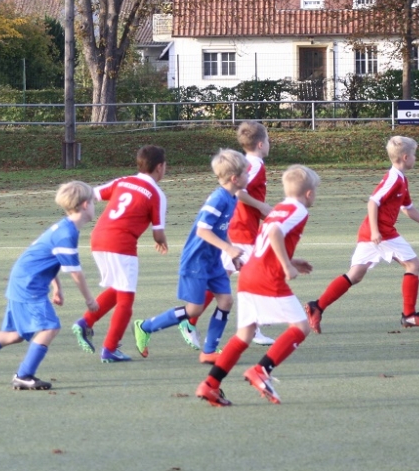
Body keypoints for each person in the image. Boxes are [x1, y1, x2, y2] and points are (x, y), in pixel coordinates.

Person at [0, 181, 100, 389]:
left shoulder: (65, 228)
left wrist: (56, 286)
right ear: (84, 205)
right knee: (50, 326)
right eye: (93, 201)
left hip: (22, 280)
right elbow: (76, 272)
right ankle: (24, 375)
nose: (94, 206)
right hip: (28, 285)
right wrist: (89, 300)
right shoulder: (67, 234)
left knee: (15, 335)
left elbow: (43, 256)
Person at [195, 165, 319, 407]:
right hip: (267, 278)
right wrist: (286, 266)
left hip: (249, 273)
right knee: (301, 327)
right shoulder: (298, 210)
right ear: (309, 193)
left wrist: (291, 260)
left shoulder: (279, 208)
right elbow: (274, 234)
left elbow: (266, 242)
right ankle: (262, 370)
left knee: (244, 335)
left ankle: (210, 384)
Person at [304, 136, 419, 333]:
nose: (415, 158)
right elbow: (373, 202)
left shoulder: (401, 179)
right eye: (414, 155)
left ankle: (317, 306)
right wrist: (376, 231)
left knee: (356, 274)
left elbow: (407, 207)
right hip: (381, 233)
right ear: (405, 157)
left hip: (371, 232)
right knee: (413, 264)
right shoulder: (394, 178)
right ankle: (409, 315)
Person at [132, 149, 248, 364]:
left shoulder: (232, 198)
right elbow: (202, 231)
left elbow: (221, 229)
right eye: (246, 173)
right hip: (197, 260)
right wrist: (229, 250)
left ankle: (209, 350)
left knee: (226, 300)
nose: (248, 176)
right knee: (194, 309)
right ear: (235, 178)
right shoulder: (219, 199)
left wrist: (231, 253)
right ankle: (145, 326)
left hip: (212, 260)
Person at [181, 122, 275, 349]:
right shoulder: (254, 164)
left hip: (239, 227)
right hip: (241, 229)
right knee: (255, 277)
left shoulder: (248, 162)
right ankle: (249, 327)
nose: (269, 144)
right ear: (260, 144)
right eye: (268, 140)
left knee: (225, 277)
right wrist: (261, 206)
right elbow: (240, 192)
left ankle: (191, 321)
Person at [71, 145, 168, 362]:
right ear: (159, 167)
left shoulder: (123, 181)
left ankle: (85, 322)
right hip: (121, 244)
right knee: (126, 299)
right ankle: (110, 348)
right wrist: (162, 242)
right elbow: (158, 233)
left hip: (98, 238)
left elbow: (93, 194)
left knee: (118, 288)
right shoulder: (156, 194)